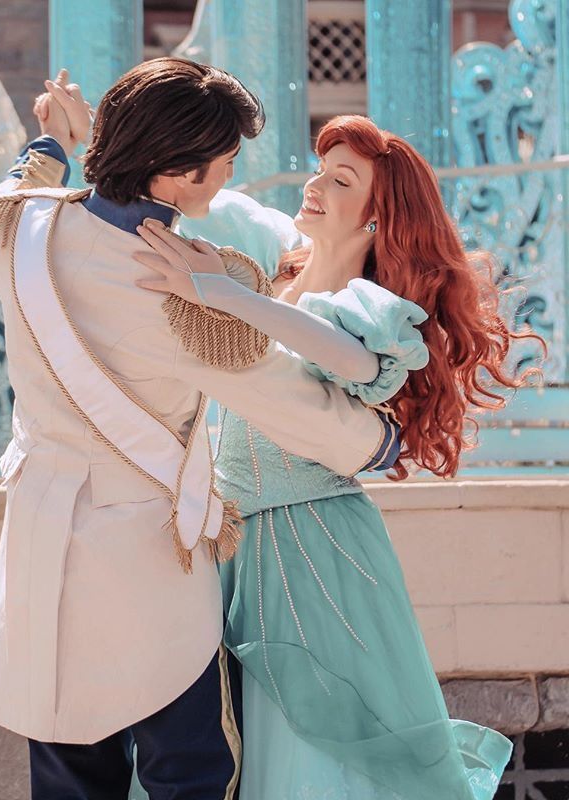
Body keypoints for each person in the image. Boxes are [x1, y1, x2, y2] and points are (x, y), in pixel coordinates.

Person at [0, 62, 400, 800]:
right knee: (192, 773)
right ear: (176, 176)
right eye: (223, 166)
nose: (227, 180)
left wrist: (51, 142)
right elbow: (280, 395)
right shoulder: (180, 293)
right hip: (146, 572)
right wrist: (382, 443)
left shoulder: (19, 232)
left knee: (68, 773)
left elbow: (12, 190)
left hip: (37, 553)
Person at [133, 114, 544, 799]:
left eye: (341, 179)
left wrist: (223, 295)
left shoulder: (368, 311)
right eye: (320, 168)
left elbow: (351, 362)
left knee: (308, 759)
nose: (316, 183)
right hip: (229, 553)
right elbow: (219, 206)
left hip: (318, 558)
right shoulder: (273, 281)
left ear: (380, 218)